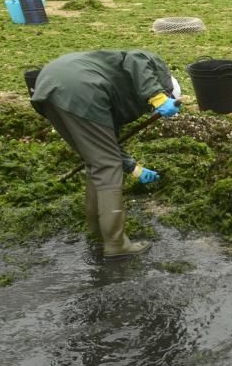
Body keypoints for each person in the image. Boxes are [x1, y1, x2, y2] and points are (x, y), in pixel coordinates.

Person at [31, 50, 181, 259]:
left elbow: (105, 146)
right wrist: (157, 97)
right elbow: (136, 58)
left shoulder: (117, 95)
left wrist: (134, 169)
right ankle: (116, 243)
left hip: (50, 84)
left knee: (96, 161)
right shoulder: (157, 70)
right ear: (167, 90)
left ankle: (97, 234)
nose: (151, 111)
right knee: (108, 167)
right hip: (81, 86)